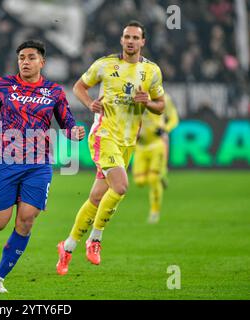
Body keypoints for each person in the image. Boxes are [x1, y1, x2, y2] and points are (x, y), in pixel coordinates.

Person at [0, 40, 85, 293]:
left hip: (39, 165)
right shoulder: (4, 85)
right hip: (7, 162)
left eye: (31, 57)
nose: (25, 62)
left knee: (26, 220)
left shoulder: (54, 91)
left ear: (42, 62)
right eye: (21, 57)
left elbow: (67, 124)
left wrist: (76, 132)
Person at [56, 21, 165, 275]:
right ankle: (95, 239)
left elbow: (160, 105)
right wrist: (90, 103)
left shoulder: (151, 71)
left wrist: (148, 102)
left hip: (128, 143)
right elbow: (79, 87)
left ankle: (68, 246)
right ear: (121, 40)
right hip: (103, 135)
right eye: (126, 36)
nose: (130, 41)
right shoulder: (105, 64)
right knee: (121, 186)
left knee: (96, 198)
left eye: (135, 38)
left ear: (142, 42)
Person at [133, 93, 179, 223]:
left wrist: (165, 130)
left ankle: (154, 212)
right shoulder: (133, 95)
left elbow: (174, 119)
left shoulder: (164, 98)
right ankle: (162, 174)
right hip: (141, 146)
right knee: (139, 181)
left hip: (157, 143)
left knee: (153, 179)